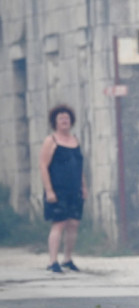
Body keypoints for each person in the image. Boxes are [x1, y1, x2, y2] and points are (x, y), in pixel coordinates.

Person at [39, 104, 88, 273]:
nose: (64, 121)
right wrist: (49, 190)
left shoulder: (76, 141)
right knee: (59, 224)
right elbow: (43, 166)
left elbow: (79, 166)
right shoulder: (50, 141)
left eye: (67, 118)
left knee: (74, 223)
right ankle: (53, 261)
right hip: (57, 189)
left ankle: (67, 258)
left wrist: (83, 186)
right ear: (55, 122)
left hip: (74, 189)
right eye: (61, 118)